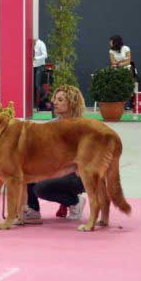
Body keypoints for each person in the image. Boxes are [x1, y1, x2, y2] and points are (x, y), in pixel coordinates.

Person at [21, 85, 88, 224]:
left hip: (78, 173)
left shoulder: (84, 127)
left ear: (72, 103)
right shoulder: (49, 125)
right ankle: (32, 209)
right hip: (55, 169)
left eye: (60, 100)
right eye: (55, 99)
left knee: (42, 187)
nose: (55, 102)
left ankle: (75, 202)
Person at [33, 38, 48, 109]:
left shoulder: (41, 44)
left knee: (37, 84)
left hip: (40, 66)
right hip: (32, 67)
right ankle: (34, 105)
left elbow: (45, 55)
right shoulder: (31, 45)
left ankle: (45, 95)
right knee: (33, 87)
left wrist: (36, 58)